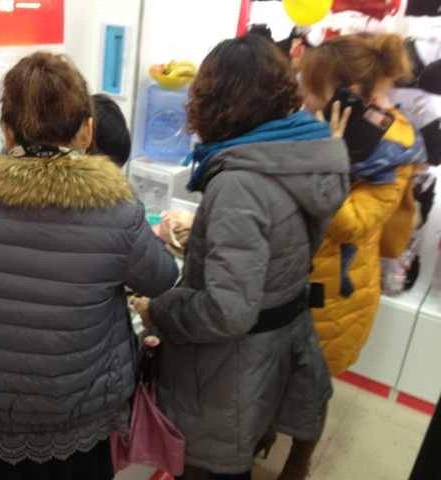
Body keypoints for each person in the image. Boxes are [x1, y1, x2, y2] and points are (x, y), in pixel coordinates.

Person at [0, 52, 178, 479]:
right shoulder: (117, 212)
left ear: (7, 130)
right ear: (87, 131)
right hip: (79, 428)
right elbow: (163, 278)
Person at [132, 34, 350, 480]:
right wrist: (201, 241)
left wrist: (160, 310)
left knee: (212, 469)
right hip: (271, 350)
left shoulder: (237, 182)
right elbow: (274, 248)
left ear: (212, 99)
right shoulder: (297, 156)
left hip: (227, 374)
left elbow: (227, 310)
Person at [295, 32, 427, 475]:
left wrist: (327, 157)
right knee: (278, 375)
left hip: (336, 294)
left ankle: (299, 459)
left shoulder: (392, 151)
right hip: (294, 276)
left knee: (312, 389)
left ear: (348, 94)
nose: (306, 98)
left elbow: (350, 222)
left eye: (315, 89)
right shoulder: (330, 129)